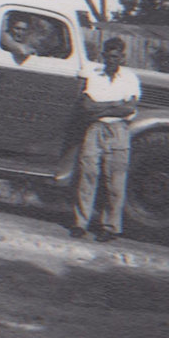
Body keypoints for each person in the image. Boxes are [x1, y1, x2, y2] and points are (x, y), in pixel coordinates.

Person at [70, 37, 140, 243]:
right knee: (88, 175)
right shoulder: (94, 75)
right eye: (108, 56)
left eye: (116, 56)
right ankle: (79, 224)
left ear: (122, 57)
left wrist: (104, 106)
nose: (112, 60)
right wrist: (115, 105)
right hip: (96, 128)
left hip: (119, 130)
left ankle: (110, 227)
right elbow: (87, 107)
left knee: (115, 180)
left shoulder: (130, 78)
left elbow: (130, 108)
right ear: (103, 56)